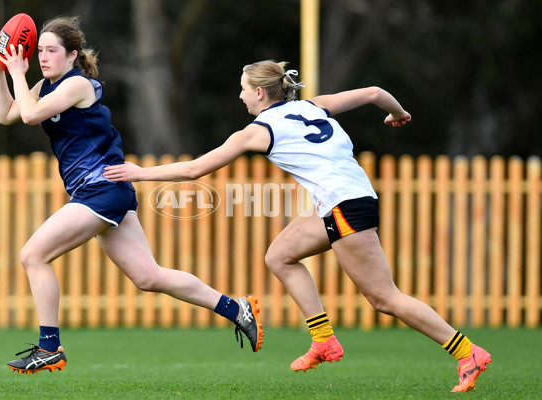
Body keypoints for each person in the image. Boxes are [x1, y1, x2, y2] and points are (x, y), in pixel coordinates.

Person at [103, 60, 492, 392]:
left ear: (259, 93)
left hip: (344, 206)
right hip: (351, 199)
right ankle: (323, 339)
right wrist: (398, 113)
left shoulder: (258, 131)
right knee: (280, 255)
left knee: (384, 298)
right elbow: (375, 92)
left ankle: (466, 352)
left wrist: (139, 173)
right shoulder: (313, 106)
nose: (240, 96)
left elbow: (194, 169)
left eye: (243, 89)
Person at [0, 16, 263, 375]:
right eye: (38, 50)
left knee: (33, 255)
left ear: (72, 56)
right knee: (148, 277)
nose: (42, 56)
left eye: (51, 50)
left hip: (100, 189)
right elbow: (8, 114)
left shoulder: (76, 86)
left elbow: (28, 116)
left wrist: (15, 70)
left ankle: (49, 347)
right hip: (105, 190)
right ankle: (236, 309)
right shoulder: (45, 86)